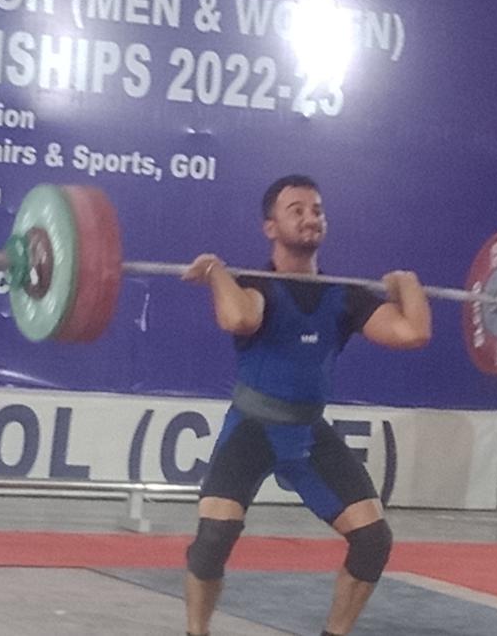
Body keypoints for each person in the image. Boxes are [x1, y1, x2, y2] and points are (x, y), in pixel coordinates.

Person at [179, 174, 432, 636]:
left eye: (316, 209)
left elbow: (412, 332)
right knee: (213, 539)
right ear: (270, 227)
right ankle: (197, 631)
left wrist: (406, 285)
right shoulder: (254, 284)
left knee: (373, 541)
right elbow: (238, 317)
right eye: (296, 209)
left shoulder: (345, 296)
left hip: (308, 432)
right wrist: (216, 273)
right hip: (251, 429)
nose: (310, 217)